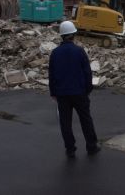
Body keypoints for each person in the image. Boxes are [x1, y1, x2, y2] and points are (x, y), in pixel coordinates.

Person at [49, 21, 101, 158]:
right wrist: (87, 90)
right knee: (85, 119)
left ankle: (70, 149)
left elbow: (52, 74)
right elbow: (87, 73)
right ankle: (91, 146)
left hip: (62, 94)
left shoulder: (55, 53)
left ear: (61, 36)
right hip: (79, 93)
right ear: (73, 35)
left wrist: (53, 92)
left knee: (65, 122)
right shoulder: (79, 51)